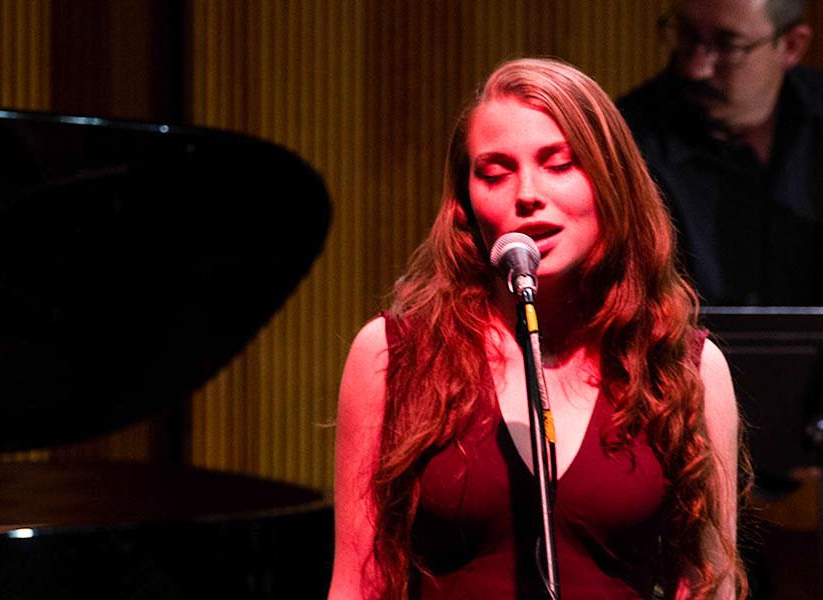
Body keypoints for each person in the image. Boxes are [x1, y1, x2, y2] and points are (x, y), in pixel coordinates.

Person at [329, 57, 746, 599]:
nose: (527, 193)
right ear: (463, 207)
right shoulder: (393, 355)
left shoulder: (682, 364)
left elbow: (712, 584)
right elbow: (358, 582)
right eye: (495, 172)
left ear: (611, 181)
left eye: (560, 163)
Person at [617, 0, 818, 306]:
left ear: (791, 46)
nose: (695, 69)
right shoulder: (626, 142)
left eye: (727, 45)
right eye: (686, 36)